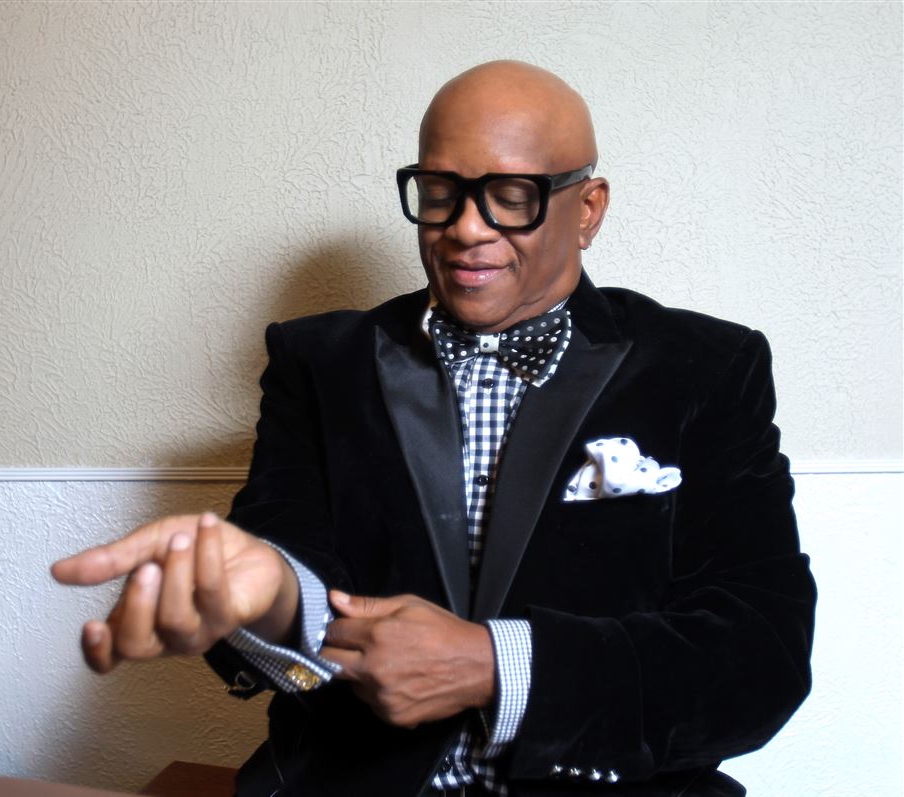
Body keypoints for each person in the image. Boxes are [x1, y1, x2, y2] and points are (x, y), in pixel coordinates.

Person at [52, 61, 816, 797]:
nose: (465, 228)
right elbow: (286, 558)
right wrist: (274, 595)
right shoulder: (317, 362)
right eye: (441, 191)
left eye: (511, 195)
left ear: (587, 209)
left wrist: (496, 664)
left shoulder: (708, 369)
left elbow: (761, 653)